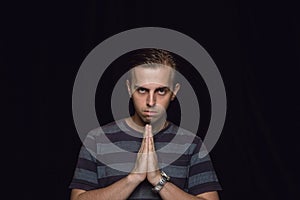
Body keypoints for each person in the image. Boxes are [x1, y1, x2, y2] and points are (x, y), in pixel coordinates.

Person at [69, 48, 222, 200]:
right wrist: (134, 178)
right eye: (142, 90)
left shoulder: (191, 144)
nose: (151, 102)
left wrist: (158, 179)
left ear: (174, 91)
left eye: (161, 91)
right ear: (129, 89)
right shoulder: (97, 139)